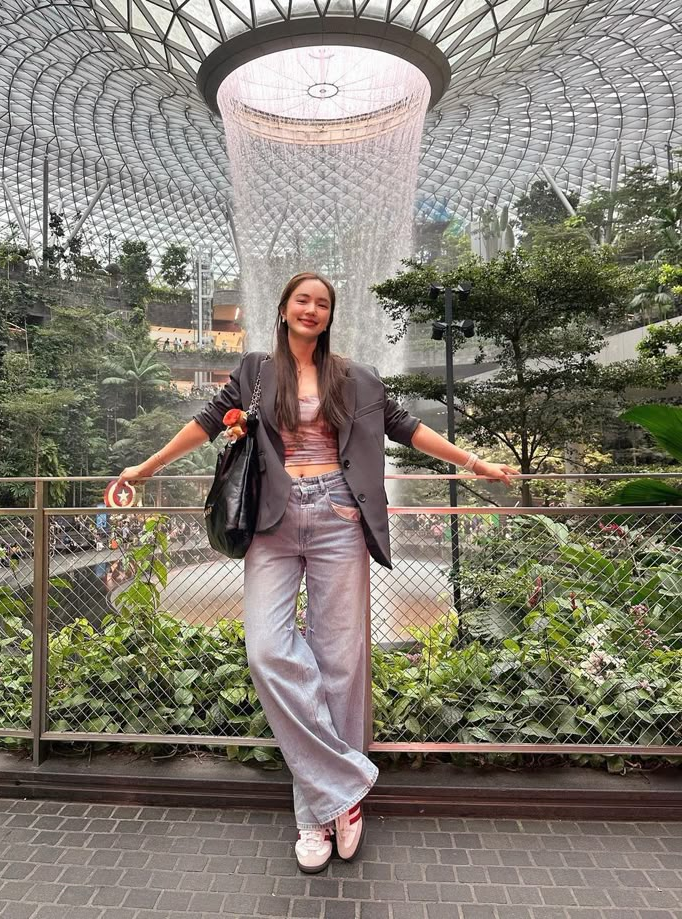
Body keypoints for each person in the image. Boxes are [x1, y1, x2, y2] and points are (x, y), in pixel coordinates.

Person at [117, 271, 519, 874]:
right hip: (274, 521)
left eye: (323, 303)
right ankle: (348, 786)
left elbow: (406, 428)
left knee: (343, 660)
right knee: (267, 649)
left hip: (337, 515)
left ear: (330, 315)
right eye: (302, 300)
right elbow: (206, 422)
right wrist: (144, 468)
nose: (312, 309)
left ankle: (316, 816)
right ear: (283, 310)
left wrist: (474, 463)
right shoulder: (255, 370)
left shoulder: (353, 376)